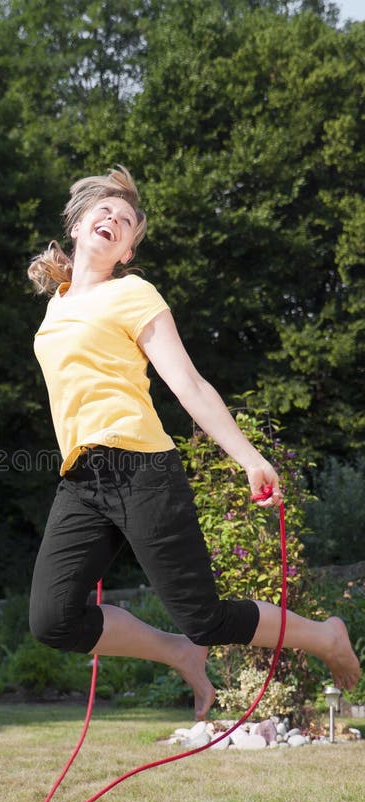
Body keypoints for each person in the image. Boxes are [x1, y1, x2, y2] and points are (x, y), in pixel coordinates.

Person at [28, 165, 360, 720]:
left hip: (141, 470)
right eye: (104, 212)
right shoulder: (55, 307)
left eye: (126, 220)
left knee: (205, 616)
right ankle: (179, 654)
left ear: (128, 249)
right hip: (81, 479)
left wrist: (249, 457)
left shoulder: (132, 293)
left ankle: (326, 636)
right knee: (53, 620)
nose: (113, 219)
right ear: (79, 223)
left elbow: (189, 384)